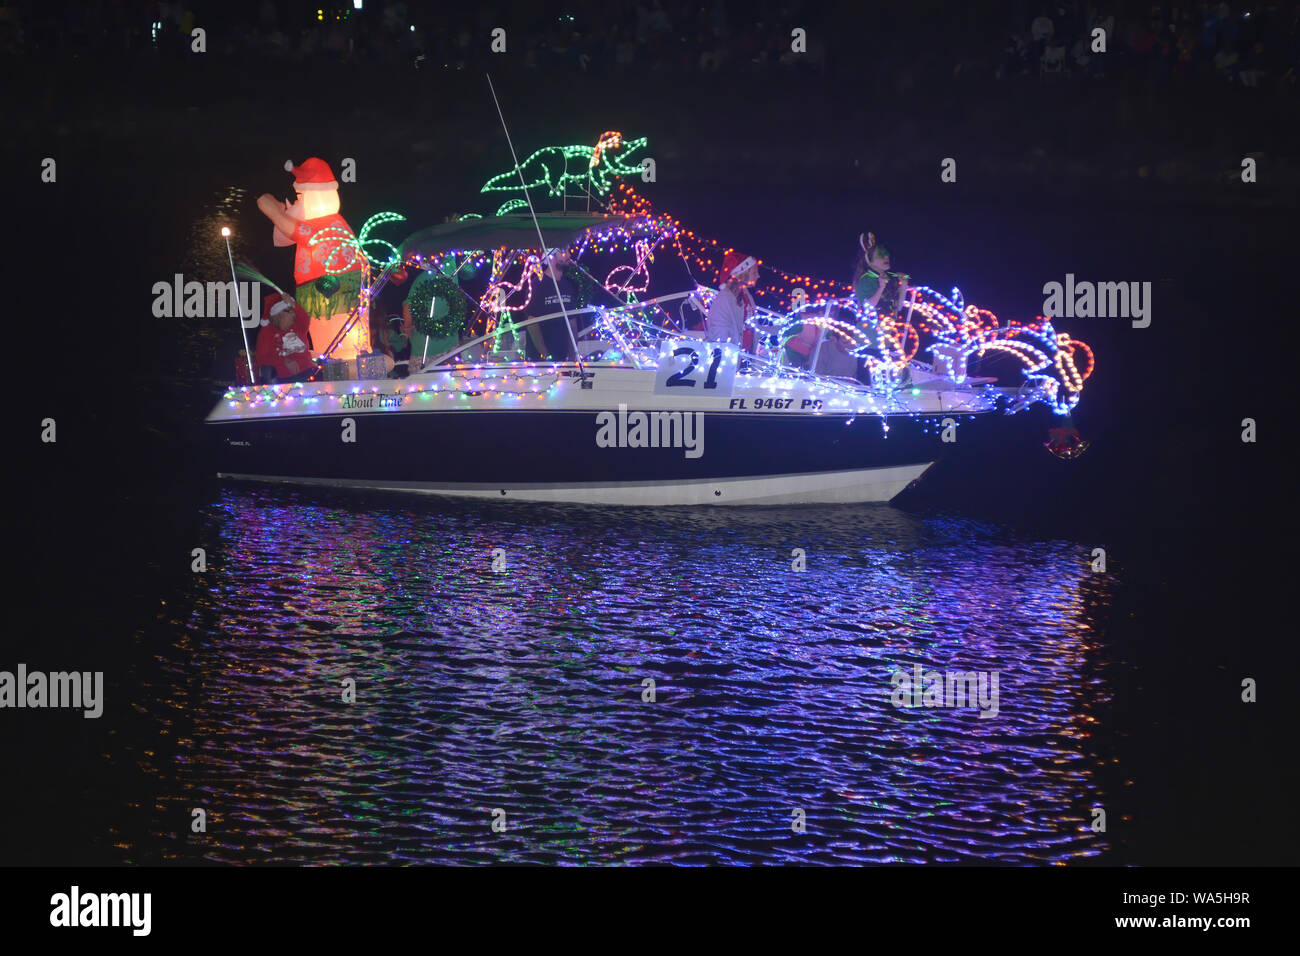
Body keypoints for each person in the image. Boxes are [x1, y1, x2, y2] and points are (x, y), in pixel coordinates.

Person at [524, 247, 579, 362]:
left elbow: (572, 323)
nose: (568, 255)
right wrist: (546, 356)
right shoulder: (537, 284)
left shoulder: (568, 285)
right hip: (540, 362)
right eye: (563, 251)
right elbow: (532, 324)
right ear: (551, 256)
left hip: (563, 358)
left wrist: (573, 354)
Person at [255, 292, 315, 384]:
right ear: (279, 315)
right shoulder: (267, 332)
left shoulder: (298, 326)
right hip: (283, 380)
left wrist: (294, 304)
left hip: (307, 372)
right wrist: (284, 361)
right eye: (289, 311)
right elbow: (261, 359)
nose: (294, 314)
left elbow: (305, 318)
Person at [706, 250, 758, 347]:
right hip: (730, 358)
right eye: (754, 272)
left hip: (746, 356)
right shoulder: (723, 300)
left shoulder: (746, 297)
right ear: (743, 274)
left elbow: (755, 327)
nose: (758, 276)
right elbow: (718, 335)